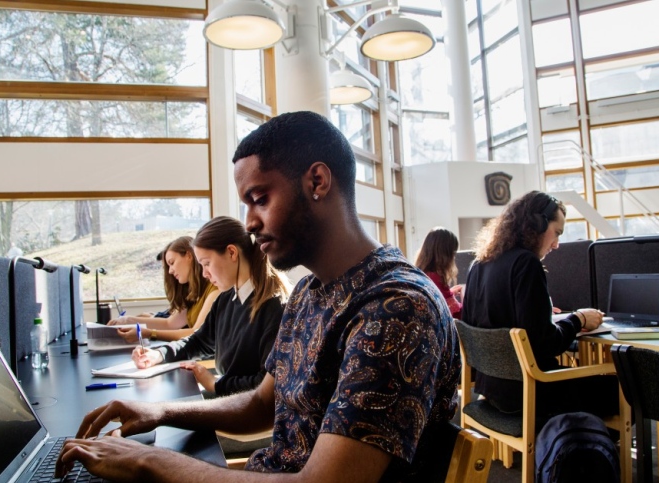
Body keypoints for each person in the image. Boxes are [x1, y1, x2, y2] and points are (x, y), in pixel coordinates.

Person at [56, 111, 460, 482]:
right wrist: (161, 412)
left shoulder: (397, 307)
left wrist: (147, 460)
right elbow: (261, 402)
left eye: (260, 199)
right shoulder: (307, 294)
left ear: (317, 182)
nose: (249, 222)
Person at [461, 190, 619, 422]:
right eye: (556, 233)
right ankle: (586, 450)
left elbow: (476, 325)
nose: (556, 245)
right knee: (620, 388)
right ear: (536, 225)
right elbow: (545, 343)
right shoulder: (526, 263)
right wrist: (579, 319)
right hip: (534, 388)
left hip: (492, 390)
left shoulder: (479, 264)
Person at [132, 216, 288, 397]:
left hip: (248, 408)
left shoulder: (275, 307)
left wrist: (215, 384)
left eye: (207, 264)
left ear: (231, 253)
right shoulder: (226, 299)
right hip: (229, 396)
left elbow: (265, 383)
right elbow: (198, 341)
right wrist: (158, 354)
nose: (205, 274)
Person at [107, 236, 220, 344]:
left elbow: (196, 333)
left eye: (172, 263)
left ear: (189, 256)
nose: (170, 271)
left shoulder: (214, 290)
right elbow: (169, 323)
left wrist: (150, 333)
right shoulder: (193, 292)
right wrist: (127, 320)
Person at [415, 227, 463, 319]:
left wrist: (450, 293)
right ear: (446, 255)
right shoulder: (436, 278)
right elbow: (457, 313)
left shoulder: (421, 273)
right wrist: (464, 296)